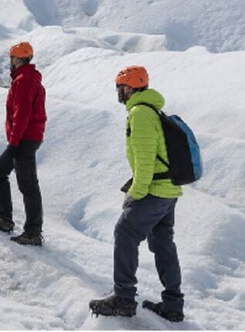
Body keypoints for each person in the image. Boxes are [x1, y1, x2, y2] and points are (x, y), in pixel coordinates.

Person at [89, 65, 185, 322]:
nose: (119, 93)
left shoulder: (140, 113)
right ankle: (173, 305)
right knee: (163, 244)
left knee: (125, 232)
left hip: (154, 191)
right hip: (168, 190)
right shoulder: (151, 109)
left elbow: (144, 161)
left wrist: (136, 193)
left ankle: (124, 298)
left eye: (120, 88)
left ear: (129, 87)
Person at [0, 42, 46, 246]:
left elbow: (22, 114)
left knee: (27, 184)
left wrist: (14, 142)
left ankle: (33, 232)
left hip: (24, 139)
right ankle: (5, 220)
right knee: (1, 173)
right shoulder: (27, 78)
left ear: (17, 59)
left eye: (11, 58)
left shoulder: (24, 80)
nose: (10, 62)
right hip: (27, 137)